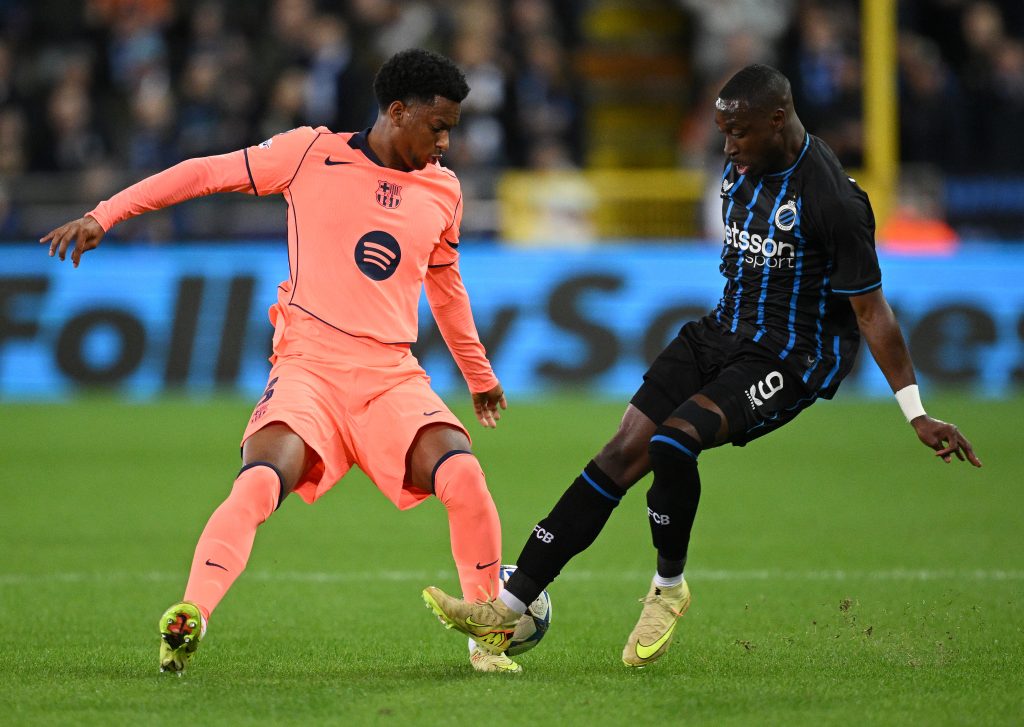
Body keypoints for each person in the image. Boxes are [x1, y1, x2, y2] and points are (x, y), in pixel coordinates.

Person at [421, 63, 982, 668]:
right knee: (619, 453)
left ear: (778, 120)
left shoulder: (833, 200)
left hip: (790, 356)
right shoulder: (741, 167)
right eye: (723, 133)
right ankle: (508, 606)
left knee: (673, 442)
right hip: (719, 332)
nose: (728, 146)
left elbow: (872, 311)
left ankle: (668, 589)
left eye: (738, 132)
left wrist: (915, 412)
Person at [40, 48, 522, 674]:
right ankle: (191, 614)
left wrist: (479, 377)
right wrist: (105, 214)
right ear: (398, 111)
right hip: (308, 368)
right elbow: (203, 173)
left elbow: (446, 287)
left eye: (451, 129)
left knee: (463, 474)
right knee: (260, 480)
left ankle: (486, 637)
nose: (446, 144)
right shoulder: (308, 153)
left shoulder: (444, 190)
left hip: (389, 376)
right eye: (438, 127)